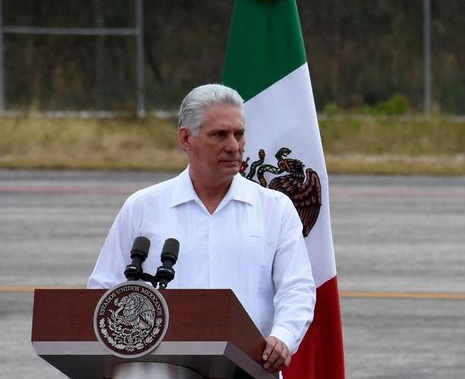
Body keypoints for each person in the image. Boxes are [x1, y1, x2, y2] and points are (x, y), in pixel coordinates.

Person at [87, 84, 315, 373]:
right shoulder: (143, 207)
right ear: (186, 138)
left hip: (249, 369)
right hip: (162, 370)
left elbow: (297, 287)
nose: (234, 145)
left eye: (239, 133)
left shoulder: (275, 208)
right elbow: (103, 289)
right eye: (219, 134)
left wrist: (283, 337)